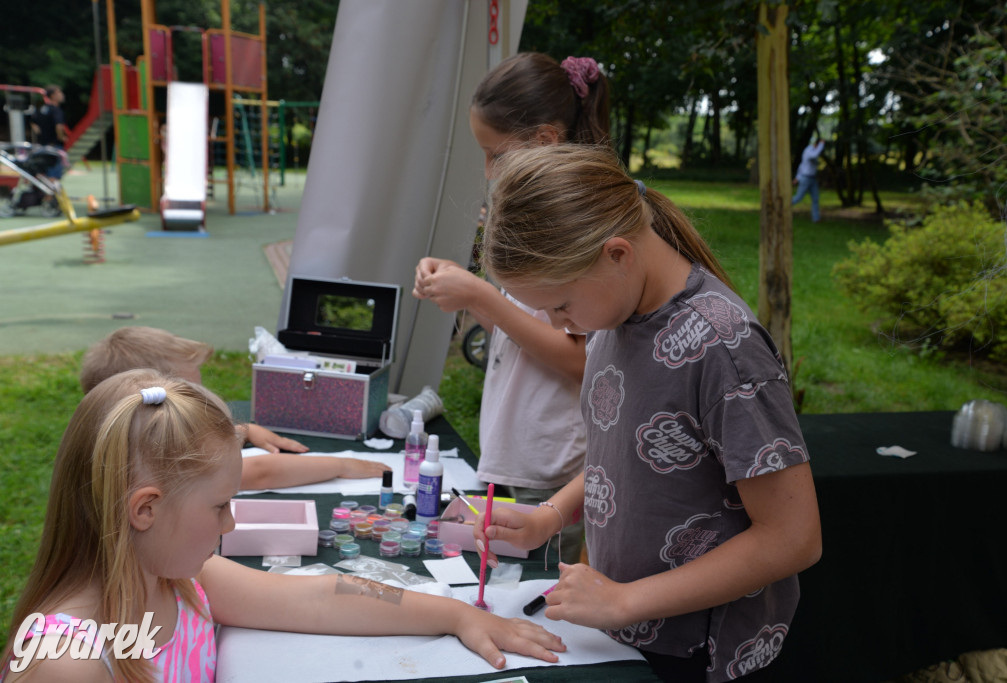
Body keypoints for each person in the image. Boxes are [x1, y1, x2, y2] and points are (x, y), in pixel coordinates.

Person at [474, 144, 822, 682]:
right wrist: (551, 514)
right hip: (627, 632)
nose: (559, 324)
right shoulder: (615, 316)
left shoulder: (721, 348)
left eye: (561, 304)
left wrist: (623, 602)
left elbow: (793, 536)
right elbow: (632, 455)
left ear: (617, 254)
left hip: (700, 655)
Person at [0, 369, 565, 681]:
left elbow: (327, 595)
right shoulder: (65, 662)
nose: (232, 520)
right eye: (219, 505)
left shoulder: (183, 582)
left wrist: (454, 614)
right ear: (144, 510)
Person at [412, 53, 610, 563]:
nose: (487, 171)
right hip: (516, 454)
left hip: (555, 467)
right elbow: (526, 329)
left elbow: (582, 359)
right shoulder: (539, 213)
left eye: (494, 154)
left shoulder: (584, 223)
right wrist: (468, 293)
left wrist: (481, 296)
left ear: (545, 140)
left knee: (538, 601)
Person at [80, 326, 390, 491]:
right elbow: (257, 472)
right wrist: (341, 466)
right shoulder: (152, 448)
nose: (200, 401)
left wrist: (244, 431)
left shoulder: (126, 430)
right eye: (191, 394)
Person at [30, 85, 69, 179]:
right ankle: (50, 193)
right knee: (53, 176)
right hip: (53, 146)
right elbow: (59, 126)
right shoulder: (56, 110)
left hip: (42, 146)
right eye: (59, 92)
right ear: (53, 96)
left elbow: (33, 122)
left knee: (45, 174)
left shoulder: (42, 109)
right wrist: (61, 137)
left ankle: (45, 193)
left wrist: (41, 134)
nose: (62, 95)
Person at [791, 137, 825, 222]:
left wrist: (797, 178)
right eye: (819, 145)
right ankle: (783, 207)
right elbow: (815, 155)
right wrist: (822, 144)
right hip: (805, 178)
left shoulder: (813, 150)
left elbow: (802, 165)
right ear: (816, 144)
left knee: (815, 198)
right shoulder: (809, 151)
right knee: (798, 197)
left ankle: (816, 218)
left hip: (813, 178)